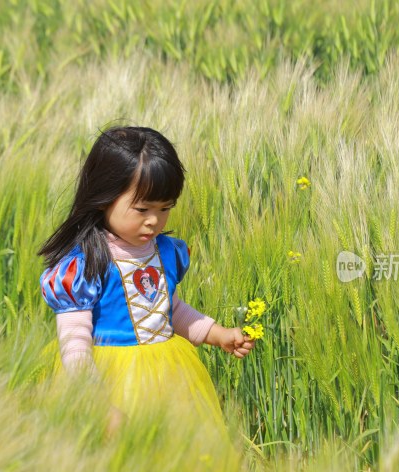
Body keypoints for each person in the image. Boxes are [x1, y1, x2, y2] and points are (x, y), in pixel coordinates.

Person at [37, 126, 255, 443]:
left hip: (168, 375)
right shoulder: (86, 265)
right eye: (142, 209)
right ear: (103, 198)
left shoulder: (166, 252)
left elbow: (170, 310)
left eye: (165, 208)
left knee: (172, 456)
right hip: (108, 382)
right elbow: (75, 343)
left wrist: (215, 333)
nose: (154, 220)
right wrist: (95, 402)